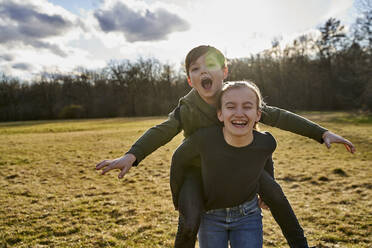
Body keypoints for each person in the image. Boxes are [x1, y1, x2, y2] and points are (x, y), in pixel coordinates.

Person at [95, 45, 355, 248]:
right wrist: (132, 155)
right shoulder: (187, 109)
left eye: (211, 65)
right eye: (195, 69)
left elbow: (280, 116)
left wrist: (322, 133)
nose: (204, 71)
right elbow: (161, 131)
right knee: (189, 222)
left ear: (225, 72)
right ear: (189, 79)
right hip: (199, 170)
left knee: (275, 195)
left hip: (241, 163)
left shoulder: (236, 99)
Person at [170, 81, 274, 248]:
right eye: (231, 106)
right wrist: (179, 198)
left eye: (247, 106)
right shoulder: (204, 139)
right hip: (210, 216)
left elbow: (265, 159)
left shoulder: (264, 142)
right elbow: (178, 160)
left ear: (258, 114)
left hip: (248, 215)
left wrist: (267, 193)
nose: (239, 113)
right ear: (220, 114)